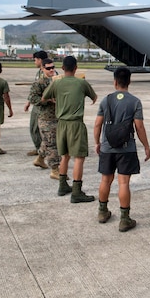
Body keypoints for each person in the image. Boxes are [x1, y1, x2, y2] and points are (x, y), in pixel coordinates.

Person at [93, 67, 150, 232]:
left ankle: (102, 212)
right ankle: (124, 219)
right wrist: (146, 146)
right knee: (123, 183)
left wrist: (97, 142)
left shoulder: (106, 100)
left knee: (105, 180)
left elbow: (97, 124)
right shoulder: (135, 101)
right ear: (129, 81)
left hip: (107, 147)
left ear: (115, 81)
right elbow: (139, 127)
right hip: (126, 149)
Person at [43, 55, 97, 203]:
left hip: (61, 124)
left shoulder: (57, 83)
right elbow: (94, 97)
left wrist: (56, 100)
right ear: (76, 68)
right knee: (79, 157)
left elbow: (44, 97)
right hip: (75, 124)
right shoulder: (81, 83)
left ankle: (62, 186)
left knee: (65, 156)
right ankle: (76, 191)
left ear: (62, 68)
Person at [29, 58, 60, 175]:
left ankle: (40, 159)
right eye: (48, 68)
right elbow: (32, 98)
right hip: (46, 118)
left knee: (47, 141)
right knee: (53, 144)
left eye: (53, 67)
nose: (51, 70)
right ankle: (55, 169)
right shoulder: (39, 83)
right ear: (42, 68)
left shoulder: (57, 80)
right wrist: (47, 100)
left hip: (57, 116)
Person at [25, 50, 48, 157]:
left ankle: (43, 150)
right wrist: (29, 102)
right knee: (34, 128)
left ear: (40, 60)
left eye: (35, 60)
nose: (34, 62)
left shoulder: (48, 73)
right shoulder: (39, 73)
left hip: (44, 105)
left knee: (43, 129)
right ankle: (39, 148)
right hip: (37, 103)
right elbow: (34, 90)